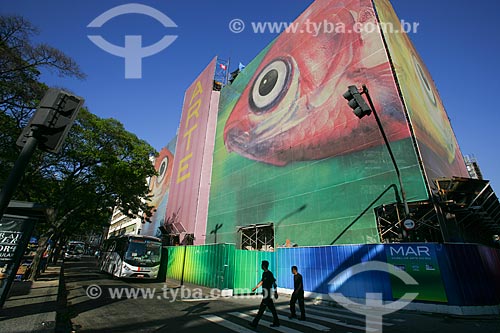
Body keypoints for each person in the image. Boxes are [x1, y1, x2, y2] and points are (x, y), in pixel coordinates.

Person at [250, 260, 280, 328]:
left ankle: (255, 323)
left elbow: (274, 283)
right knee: (272, 309)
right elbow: (262, 281)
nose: (261, 266)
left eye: (261, 265)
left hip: (267, 295)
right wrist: (256, 287)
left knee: (261, 310)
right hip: (266, 294)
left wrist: (275, 292)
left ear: (263, 266)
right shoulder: (264, 274)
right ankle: (277, 322)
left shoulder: (269, 274)